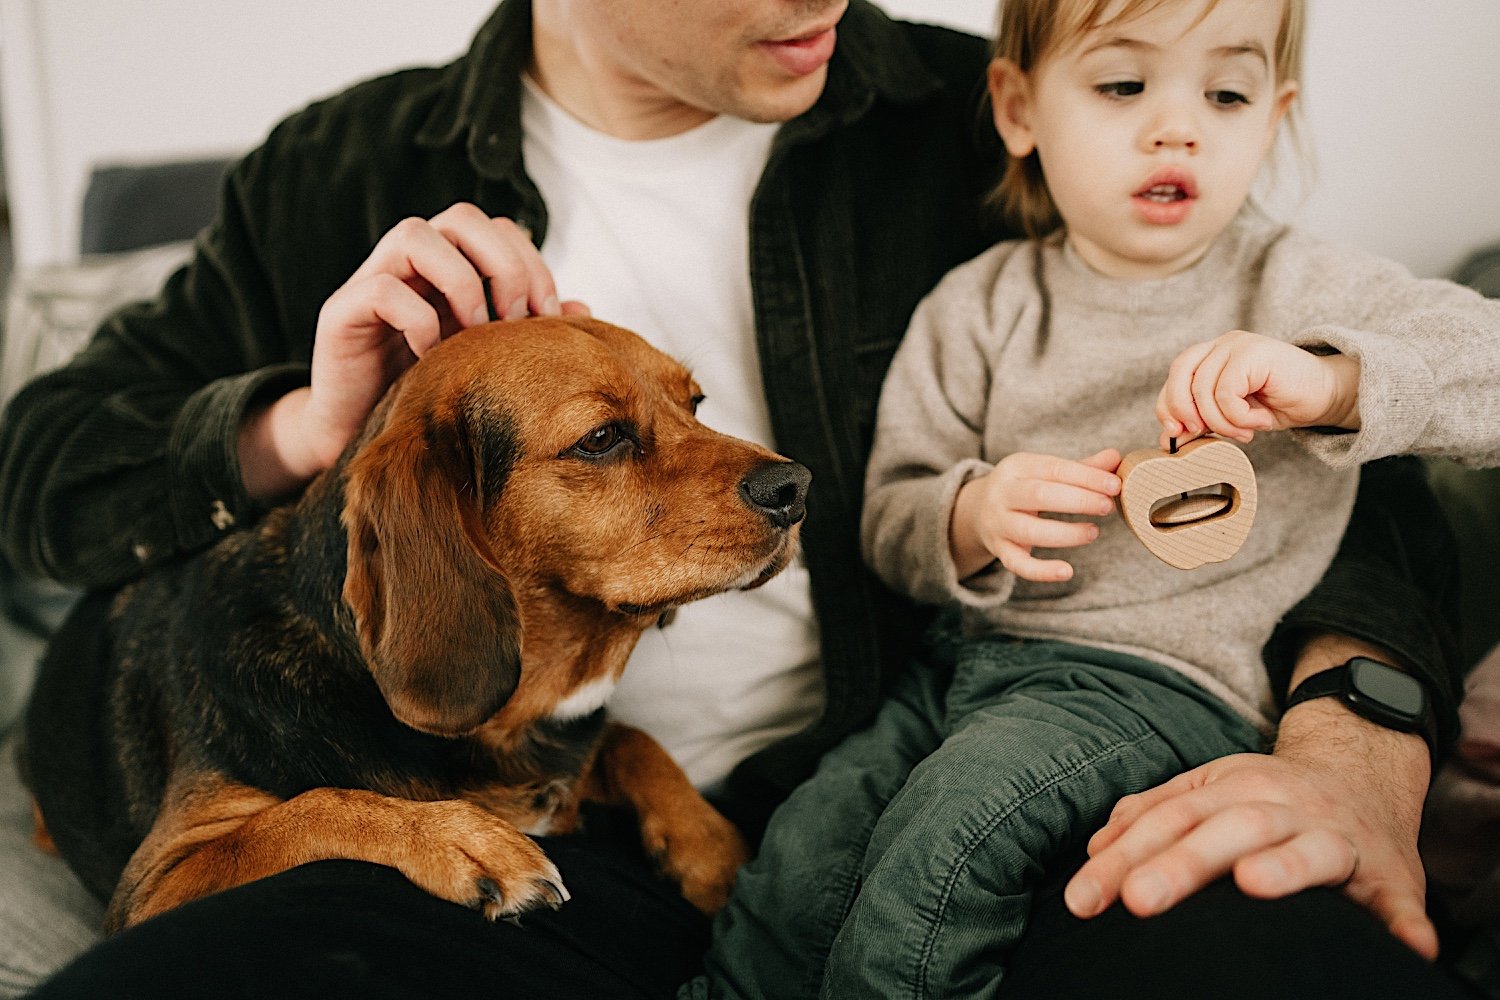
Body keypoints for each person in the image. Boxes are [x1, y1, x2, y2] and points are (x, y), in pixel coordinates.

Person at [0, 1, 1470, 998]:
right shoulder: (334, 168)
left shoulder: (1021, 111)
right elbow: (44, 467)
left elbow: (1310, 415)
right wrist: (303, 423)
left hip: (948, 762)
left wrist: (1361, 741)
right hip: (507, 829)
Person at [690, 0, 1498, 997]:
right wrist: (972, 516)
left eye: (1228, 93)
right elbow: (890, 522)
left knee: (953, 839)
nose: (1177, 126)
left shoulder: (1298, 287)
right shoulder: (980, 306)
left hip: (1165, 684)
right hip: (965, 673)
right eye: (1124, 85)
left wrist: (1330, 379)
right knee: (801, 855)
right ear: (1019, 110)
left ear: (1274, 115)